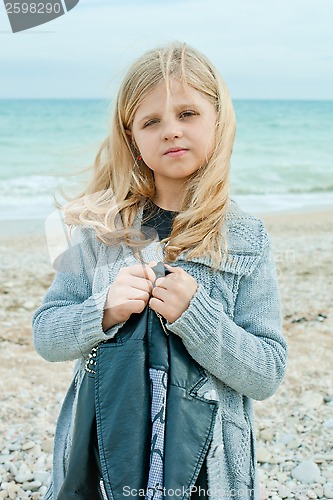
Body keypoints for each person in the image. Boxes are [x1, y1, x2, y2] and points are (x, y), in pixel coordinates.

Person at [32, 42, 287, 500]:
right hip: (102, 461)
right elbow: (47, 334)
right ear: (132, 137)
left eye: (187, 113)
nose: (171, 131)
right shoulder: (97, 231)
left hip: (207, 474)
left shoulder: (246, 237)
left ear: (218, 121)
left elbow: (267, 371)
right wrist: (103, 311)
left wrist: (199, 319)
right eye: (152, 121)